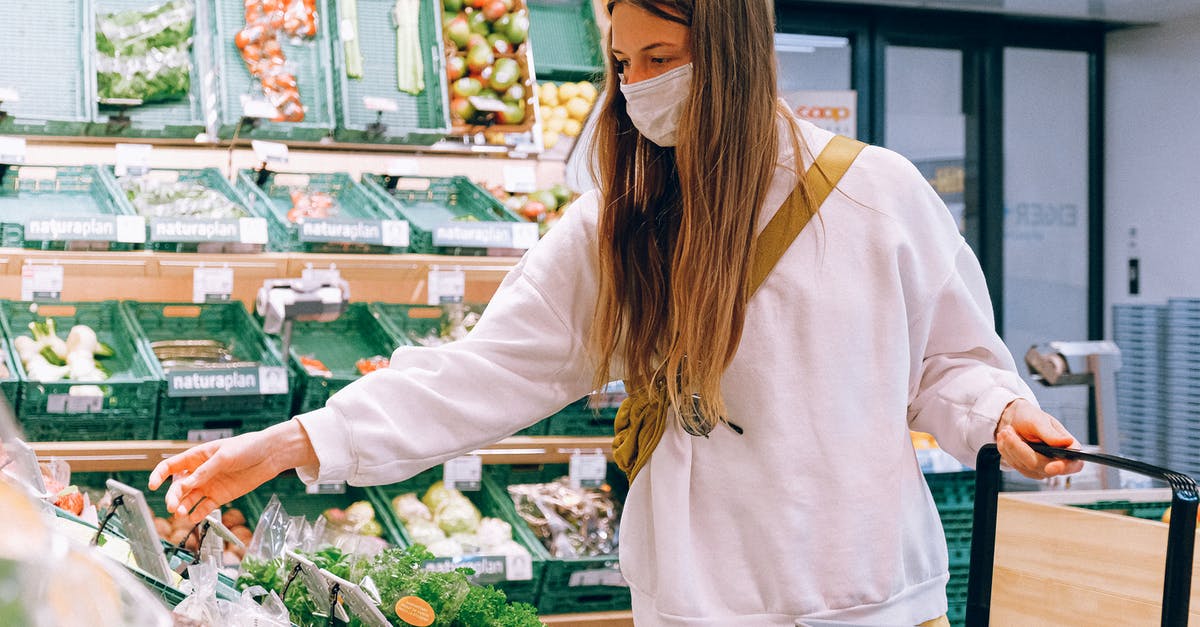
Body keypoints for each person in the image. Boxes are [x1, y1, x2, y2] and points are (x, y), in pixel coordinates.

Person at [150, 1, 1084, 624]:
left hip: (867, 593)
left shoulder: (878, 196)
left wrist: (1000, 416)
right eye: (623, 64)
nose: (637, 87)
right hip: (700, 597)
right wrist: (290, 443)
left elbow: (950, 362)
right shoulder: (621, 224)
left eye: (662, 58)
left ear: (732, 52)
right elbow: (484, 371)